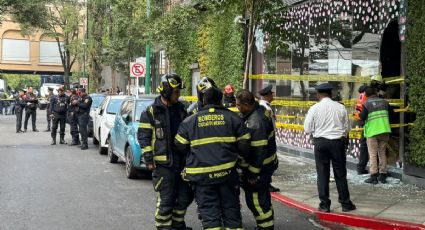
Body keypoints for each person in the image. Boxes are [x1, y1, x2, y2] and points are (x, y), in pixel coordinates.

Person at [175, 82, 250, 230]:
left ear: (203, 101)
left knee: (210, 215)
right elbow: (245, 144)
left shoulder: (190, 121)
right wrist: (238, 159)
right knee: (231, 212)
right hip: (228, 175)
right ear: (221, 100)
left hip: (202, 177)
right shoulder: (233, 118)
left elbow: (179, 145)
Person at [137, 74, 193, 230]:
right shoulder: (151, 112)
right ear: (166, 91)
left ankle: (177, 224)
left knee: (184, 197)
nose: (179, 95)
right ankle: (163, 227)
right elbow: (143, 137)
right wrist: (148, 159)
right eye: (176, 92)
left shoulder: (181, 110)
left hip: (182, 163)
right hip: (163, 165)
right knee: (166, 199)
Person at [304, 83, 356, 213]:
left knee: (322, 174)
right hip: (337, 143)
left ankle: (324, 204)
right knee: (340, 173)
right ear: (331, 94)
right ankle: (345, 203)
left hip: (320, 143)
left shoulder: (314, 108)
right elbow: (346, 128)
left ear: (318, 95)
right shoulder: (340, 108)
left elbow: (307, 129)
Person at [236, 90, 279, 230]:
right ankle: (267, 223)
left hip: (260, 168)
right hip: (267, 164)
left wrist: (253, 174)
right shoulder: (259, 110)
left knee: (255, 200)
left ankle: (265, 227)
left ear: (247, 104)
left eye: (238, 105)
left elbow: (258, 151)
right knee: (263, 197)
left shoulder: (255, 122)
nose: (237, 108)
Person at [361, 87, 392, 184]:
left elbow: (362, 117)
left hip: (373, 132)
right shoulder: (385, 102)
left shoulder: (366, 104)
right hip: (384, 130)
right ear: (376, 92)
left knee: (373, 154)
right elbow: (392, 114)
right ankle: (383, 175)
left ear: (366, 95)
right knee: (382, 152)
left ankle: (373, 176)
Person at [258, 85, 281, 193]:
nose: (273, 95)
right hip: (268, 139)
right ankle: (266, 184)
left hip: (266, 138)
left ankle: (266, 182)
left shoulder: (263, 106)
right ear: (267, 95)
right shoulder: (266, 108)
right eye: (271, 93)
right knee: (270, 163)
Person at [354, 85, 370, 175]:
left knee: (364, 145)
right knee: (366, 145)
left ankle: (361, 167)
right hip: (366, 121)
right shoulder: (367, 95)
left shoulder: (361, 94)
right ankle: (361, 167)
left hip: (360, 120)